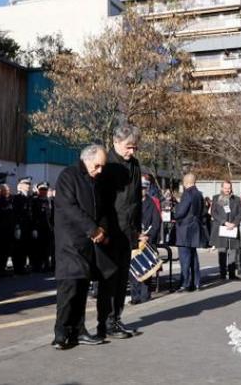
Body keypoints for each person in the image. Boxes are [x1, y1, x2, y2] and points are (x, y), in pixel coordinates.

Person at [53, 144, 111, 349]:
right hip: (69, 241)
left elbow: (101, 208)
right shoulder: (68, 176)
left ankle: (78, 330)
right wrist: (93, 229)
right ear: (87, 159)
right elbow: (69, 207)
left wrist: (102, 229)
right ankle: (61, 332)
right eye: (97, 165)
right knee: (69, 288)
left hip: (88, 244)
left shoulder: (95, 180)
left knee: (82, 288)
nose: (100, 170)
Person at [97, 125, 143, 340]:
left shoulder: (135, 164)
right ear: (116, 142)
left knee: (123, 277)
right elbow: (102, 201)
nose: (132, 151)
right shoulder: (106, 164)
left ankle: (116, 319)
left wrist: (138, 229)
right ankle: (106, 322)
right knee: (110, 279)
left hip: (128, 230)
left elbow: (136, 200)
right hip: (112, 230)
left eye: (134, 147)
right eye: (128, 147)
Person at [130, 177, 161, 303]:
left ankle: (145, 295)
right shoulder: (131, 203)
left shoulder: (152, 203)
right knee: (133, 271)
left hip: (147, 241)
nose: (142, 191)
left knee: (146, 270)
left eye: (144, 188)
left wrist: (148, 236)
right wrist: (136, 235)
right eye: (140, 188)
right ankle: (135, 297)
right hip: (134, 240)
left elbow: (156, 222)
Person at [174, 173, 205, 292]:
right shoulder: (199, 194)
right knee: (194, 257)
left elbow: (181, 211)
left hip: (185, 229)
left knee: (184, 257)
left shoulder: (187, 193)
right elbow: (202, 211)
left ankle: (185, 283)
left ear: (186, 182)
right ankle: (196, 282)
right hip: (195, 228)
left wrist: (175, 211)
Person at [210, 180, 241, 280]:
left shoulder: (236, 199)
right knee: (222, 251)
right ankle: (222, 274)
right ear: (221, 188)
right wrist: (224, 222)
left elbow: (240, 213)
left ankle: (232, 274)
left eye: (229, 188)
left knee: (232, 251)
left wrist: (234, 223)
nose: (227, 190)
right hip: (221, 228)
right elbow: (214, 213)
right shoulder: (216, 198)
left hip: (232, 228)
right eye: (225, 188)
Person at [12, 177, 33, 274]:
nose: (28, 186)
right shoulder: (17, 198)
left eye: (28, 184)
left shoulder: (29, 198)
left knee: (25, 247)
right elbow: (16, 213)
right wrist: (17, 226)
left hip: (27, 226)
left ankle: (22, 266)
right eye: (25, 184)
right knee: (18, 248)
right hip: (20, 226)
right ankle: (18, 267)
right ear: (20, 186)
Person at [31, 182, 54, 272]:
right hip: (39, 227)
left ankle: (46, 265)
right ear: (38, 190)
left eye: (45, 190)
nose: (43, 192)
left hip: (48, 228)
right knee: (38, 248)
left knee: (47, 248)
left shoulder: (50, 201)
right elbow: (33, 215)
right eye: (42, 190)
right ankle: (37, 266)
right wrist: (34, 228)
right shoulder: (35, 201)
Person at [0, 184, 16, 276]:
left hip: (9, 230)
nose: (7, 192)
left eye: (8, 190)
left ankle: (3, 268)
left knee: (6, 251)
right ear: (1, 191)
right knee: (0, 252)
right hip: (0, 231)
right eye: (5, 190)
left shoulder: (10, 201)